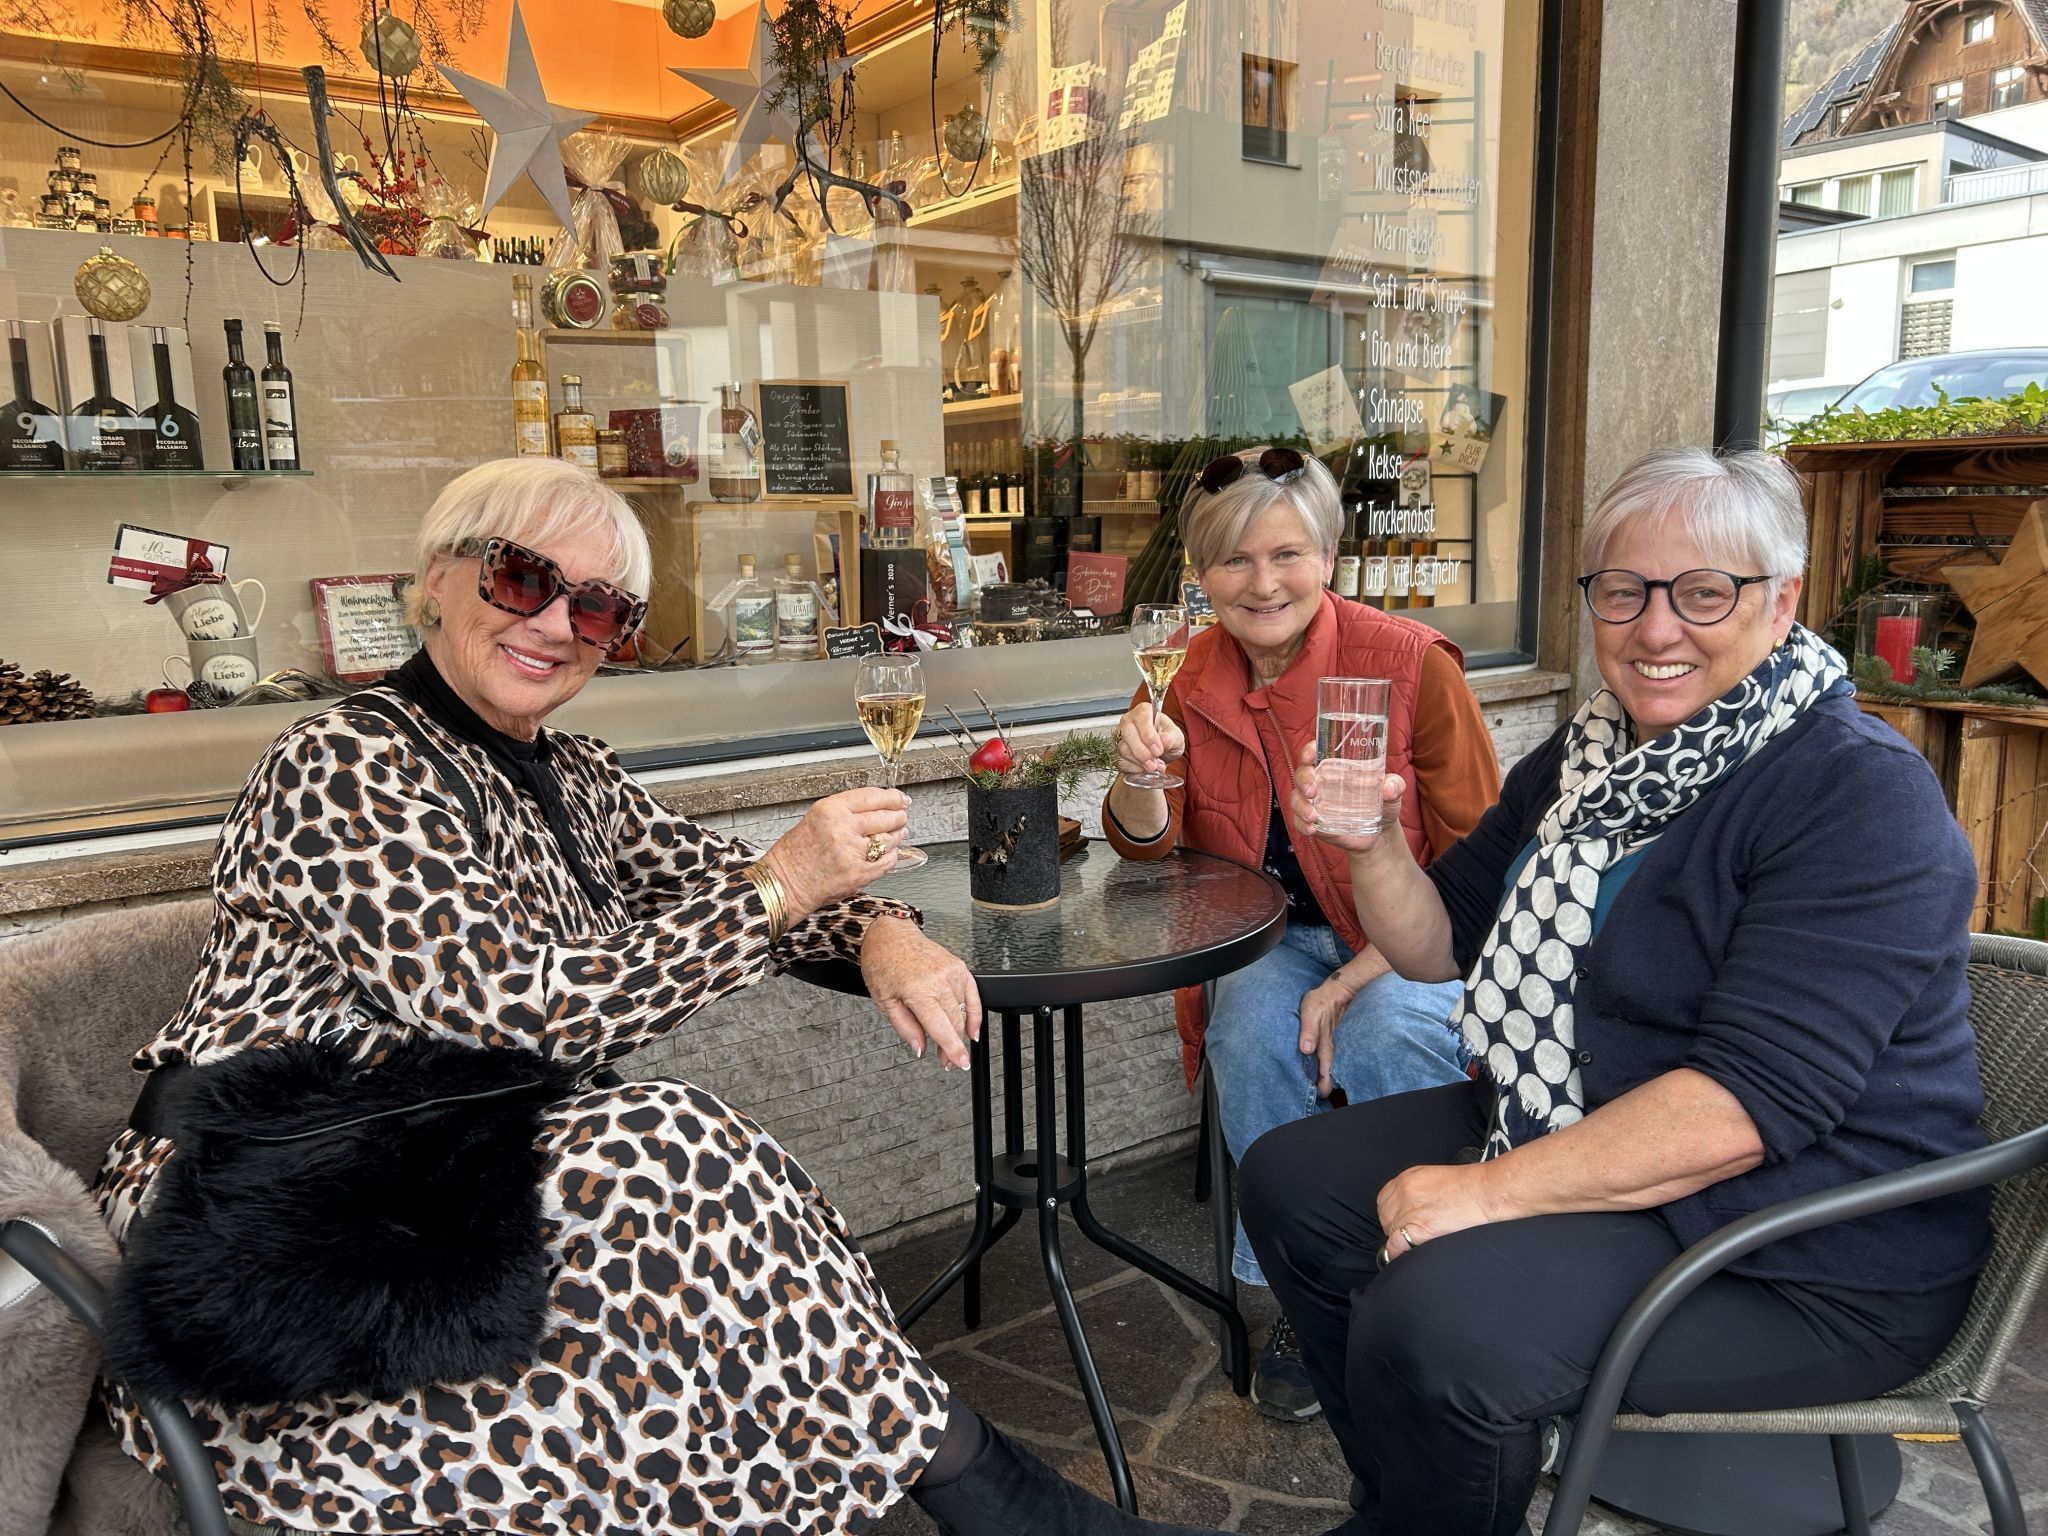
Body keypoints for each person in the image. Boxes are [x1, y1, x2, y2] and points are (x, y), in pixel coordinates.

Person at [92, 458, 1219, 1536]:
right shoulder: (342, 762)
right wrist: (784, 883)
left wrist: (876, 926)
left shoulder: (574, 775)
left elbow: (721, 887)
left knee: (700, 1293)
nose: (551, 626)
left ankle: (981, 1493)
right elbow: (516, 1012)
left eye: (595, 612)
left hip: (460, 1184)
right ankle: (989, 1493)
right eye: (522, 579)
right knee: (669, 1150)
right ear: (435, 577)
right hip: (271, 1213)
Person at [1244, 447, 1991, 1536]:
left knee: (1436, 1320)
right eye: (1622, 590)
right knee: (1291, 1180)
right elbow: (1434, 943)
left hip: (1806, 1241)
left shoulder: (1855, 792)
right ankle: (1413, 1499)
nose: (1653, 629)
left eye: (1702, 592)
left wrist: (1482, 1195)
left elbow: (1745, 1107)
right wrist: (1367, 842)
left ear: (1778, 603)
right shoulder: (1589, 756)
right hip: (1606, 1123)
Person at [1102, 446, 1500, 1420]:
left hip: (1413, 937)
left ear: (1325, 555)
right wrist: (1134, 777)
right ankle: (1306, 1290)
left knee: (1384, 1029)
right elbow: (1148, 853)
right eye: (1232, 561)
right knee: (1249, 1028)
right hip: (1271, 936)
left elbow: (1482, 863)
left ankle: (1430, 1275)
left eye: (1285, 554)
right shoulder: (1186, 673)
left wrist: (1356, 975)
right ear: (1200, 576)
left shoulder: (1406, 662)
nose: (1261, 581)